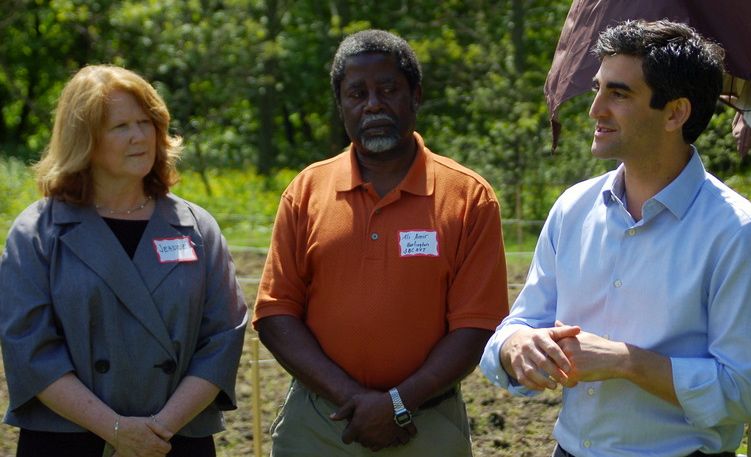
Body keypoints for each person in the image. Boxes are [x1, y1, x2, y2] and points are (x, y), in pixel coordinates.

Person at [480, 19, 751, 457]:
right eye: (598, 89)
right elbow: (515, 328)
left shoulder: (741, 235)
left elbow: (745, 393)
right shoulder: (572, 209)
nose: (595, 110)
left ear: (675, 113)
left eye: (619, 94)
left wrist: (626, 361)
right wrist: (516, 346)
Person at [253, 29, 508, 456]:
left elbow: (476, 324)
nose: (372, 104)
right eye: (357, 93)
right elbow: (276, 313)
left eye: (388, 89)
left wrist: (396, 404)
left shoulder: (468, 197)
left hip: (427, 425)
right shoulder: (306, 191)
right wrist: (354, 400)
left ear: (416, 95)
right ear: (341, 106)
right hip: (320, 423)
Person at [0, 64, 248, 457]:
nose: (139, 137)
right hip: (68, 442)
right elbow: (31, 351)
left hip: (174, 440)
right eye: (120, 127)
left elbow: (223, 338)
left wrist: (156, 431)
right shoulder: (37, 232)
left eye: (145, 122)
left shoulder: (196, 227)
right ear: (84, 140)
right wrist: (115, 430)